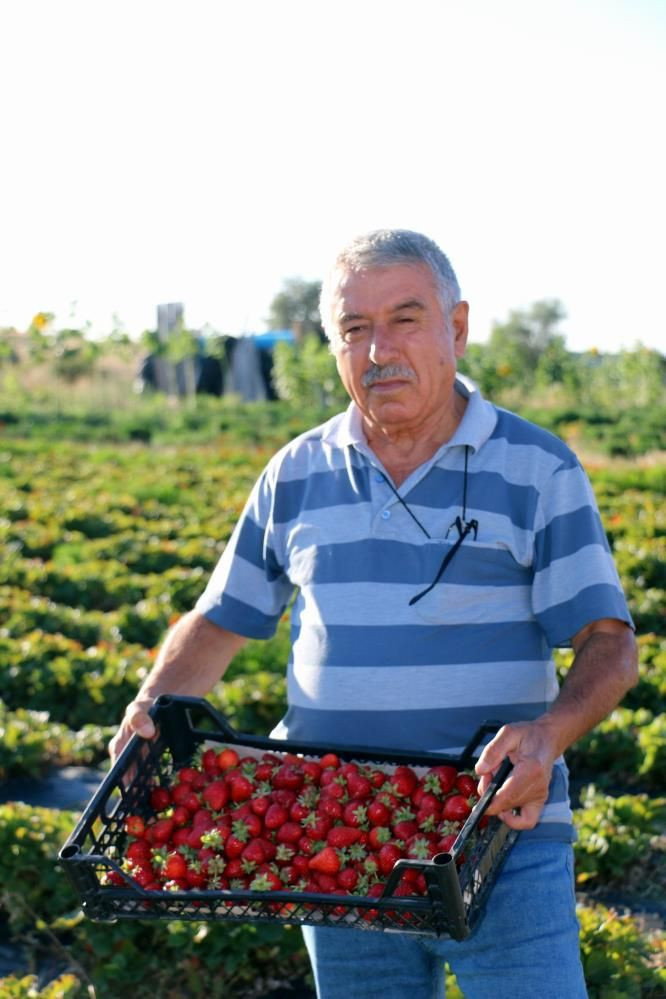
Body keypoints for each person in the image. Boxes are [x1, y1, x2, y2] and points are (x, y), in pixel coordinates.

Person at [110, 229, 638, 999]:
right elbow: (221, 619)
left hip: (502, 823)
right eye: (354, 328)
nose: (379, 350)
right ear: (333, 346)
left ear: (456, 328)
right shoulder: (296, 472)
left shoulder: (538, 467)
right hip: (335, 828)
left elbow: (608, 643)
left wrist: (548, 735)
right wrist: (152, 702)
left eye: (405, 319)